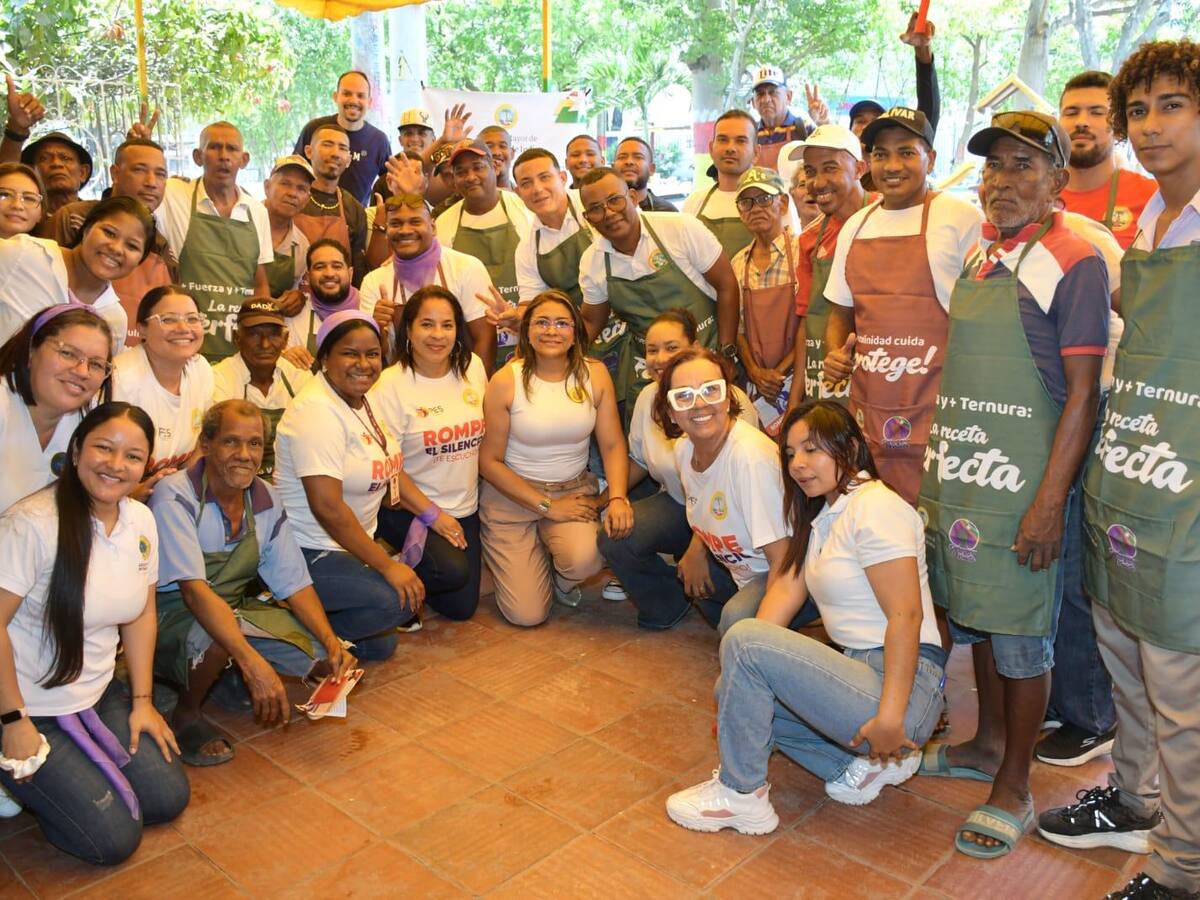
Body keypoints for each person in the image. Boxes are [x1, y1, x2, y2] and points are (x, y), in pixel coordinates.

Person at [917, 111, 1108, 860]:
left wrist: (1048, 503)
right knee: (979, 617)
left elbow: (1084, 393)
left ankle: (1016, 785)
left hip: (1026, 485)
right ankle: (984, 742)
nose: (1004, 181)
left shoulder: (1075, 259)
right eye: (995, 167)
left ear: (1058, 181)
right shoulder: (981, 258)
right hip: (968, 480)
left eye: (1025, 167)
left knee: (1023, 633)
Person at [1039, 40, 1200, 900]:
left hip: (1187, 496)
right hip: (1128, 479)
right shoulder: (1154, 224)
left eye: (1171, 105)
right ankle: (1135, 802)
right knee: (1131, 676)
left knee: (1184, 699)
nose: (1149, 126)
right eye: (1139, 110)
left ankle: (1182, 869)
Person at [665, 401, 946, 832]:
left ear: (850, 448)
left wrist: (891, 717)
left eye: (812, 450)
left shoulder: (876, 507)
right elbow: (783, 596)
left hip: (902, 686)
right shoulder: (825, 516)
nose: (798, 464)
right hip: (861, 671)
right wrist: (747, 673)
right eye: (791, 453)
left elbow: (907, 616)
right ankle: (853, 768)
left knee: (744, 639)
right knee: (735, 686)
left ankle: (742, 796)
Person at [0, 402, 189, 864]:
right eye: (104, 448)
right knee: (111, 841)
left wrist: (142, 703)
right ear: (78, 448)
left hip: (98, 692)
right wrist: (12, 722)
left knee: (167, 799)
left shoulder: (140, 521)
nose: (116, 465)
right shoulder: (32, 524)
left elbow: (141, 615)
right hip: (28, 706)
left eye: (132, 456)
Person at [150, 400, 356, 766]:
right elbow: (194, 593)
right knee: (215, 639)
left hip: (230, 608)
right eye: (231, 442)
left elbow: (294, 583)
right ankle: (186, 713)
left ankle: (223, 675)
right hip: (171, 615)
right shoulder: (176, 495)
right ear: (206, 444)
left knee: (324, 660)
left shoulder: (265, 498)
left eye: (255, 444)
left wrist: (330, 641)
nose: (245, 455)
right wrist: (252, 663)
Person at [822, 107, 983, 505]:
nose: (892, 166)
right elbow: (841, 312)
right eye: (881, 154)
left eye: (906, 152)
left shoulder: (962, 219)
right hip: (870, 413)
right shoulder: (855, 227)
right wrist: (834, 354)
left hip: (940, 412)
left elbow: (983, 321)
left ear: (930, 157)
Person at [478, 291, 630, 626]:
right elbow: (489, 463)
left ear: (575, 331)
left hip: (571, 491)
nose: (552, 331)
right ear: (526, 330)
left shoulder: (595, 374)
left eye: (562, 323)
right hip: (511, 496)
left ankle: (558, 577)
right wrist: (547, 507)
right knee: (527, 615)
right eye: (542, 322)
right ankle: (528, 555)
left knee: (587, 561)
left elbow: (613, 445)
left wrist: (617, 496)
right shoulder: (506, 381)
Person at [273, 311, 418, 661]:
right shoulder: (316, 412)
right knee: (392, 603)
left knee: (381, 644)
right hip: (306, 550)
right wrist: (386, 566)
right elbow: (328, 508)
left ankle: (323, 626)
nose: (363, 364)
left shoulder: (360, 399)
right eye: (350, 353)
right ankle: (285, 633)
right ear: (324, 357)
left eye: (372, 354)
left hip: (347, 545)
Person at [597, 309, 757, 623]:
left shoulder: (728, 400)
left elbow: (719, 488)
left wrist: (698, 549)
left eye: (672, 348)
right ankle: (668, 602)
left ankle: (730, 603)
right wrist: (609, 499)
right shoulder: (647, 398)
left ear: (695, 347)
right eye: (652, 350)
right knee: (616, 535)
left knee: (718, 595)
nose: (660, 358)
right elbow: (640, 460)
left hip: (728, 516)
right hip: (678, 506)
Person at [650, 347, 792, 632]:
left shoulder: (750, 459)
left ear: (728, 397)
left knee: (736, 621)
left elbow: (784, 560)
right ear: (671, 412)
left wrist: (761, 639)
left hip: (788, 574)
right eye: (684, 396)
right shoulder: (684, 449)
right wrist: (696, 550)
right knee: (692, 578)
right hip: (743, 570)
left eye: (711, 390)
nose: (700, 404)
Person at [578, 167, 739, 412]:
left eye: (614, 200)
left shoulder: (680, 229)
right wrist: (553, 357)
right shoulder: (593, 262)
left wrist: (726, 354)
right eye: (596, 208)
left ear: (632, 197)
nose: (608, 213)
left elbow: (727, 286)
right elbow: (591, 322)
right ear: (587, 218)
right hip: (649, 370)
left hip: (706, 357)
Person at [370, 286, 488, 621]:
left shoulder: (473, 369)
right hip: (409, 507)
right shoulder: (390, 385)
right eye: (427, 324)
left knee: (461, 608)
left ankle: (409, 572)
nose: (438, 335)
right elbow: (390, 469)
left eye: (447, 325)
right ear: (408, 329)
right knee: (451, 572)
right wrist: (434, 516)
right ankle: (386, 576)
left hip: (465, 506)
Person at [155, 122, 274, 362]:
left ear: (244, 159)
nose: (223, 157)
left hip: (239, 349)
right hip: (187, 344)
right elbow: (137, 197)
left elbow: (260, 283)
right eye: (214, 148)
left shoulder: (256, 211)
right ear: (198, 156)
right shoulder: (174, 195)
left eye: (232, 149)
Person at [46, 139, 175, 346]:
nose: (151, 182)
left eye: (160, 174)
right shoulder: (71, 218)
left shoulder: (160, 243)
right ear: (115, 173)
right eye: (140, 170)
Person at [359, 193, 496, 372]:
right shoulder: (374, 281)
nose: (405, 230)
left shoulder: (466, 268)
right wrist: (377, 326)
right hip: (402, 387)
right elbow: (377, 352)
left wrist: (473, 389)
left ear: (433, 227)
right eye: (395, 224)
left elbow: (485, 339)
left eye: (415, 222)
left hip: (461, 382)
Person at [0, 194, 153, 352]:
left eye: (132, 246)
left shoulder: (115, 319)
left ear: (140, 260)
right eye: (109, 233)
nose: (116, 248)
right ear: (87, 228)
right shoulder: (27, 254)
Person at [787, 125, 871, 410]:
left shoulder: (887, 221)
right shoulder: (810, 239)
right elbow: (806, 321)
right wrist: (796, 398)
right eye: (810, 171)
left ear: (860, 168)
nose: (818, 182)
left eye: (830, 168)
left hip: (881, 373)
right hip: (825, 374)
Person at [0, 306, 113, 514]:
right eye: (68, 353)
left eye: (96, 364)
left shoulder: (87, 424)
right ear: (31, 350)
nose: (82, 371)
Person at [435, 139, 533, 365]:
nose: (471, 177)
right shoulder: (445, 223)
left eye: (478, 167)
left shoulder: (523, 209)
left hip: (524, 334)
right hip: (473, 342)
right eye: (461, 172)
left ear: (494, 167)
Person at [112, 286, 214, 484]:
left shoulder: (201, 370)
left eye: (192, 319)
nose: (184, 328)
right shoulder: (121, 379)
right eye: (168, 319)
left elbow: (202, 444)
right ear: (141, 328)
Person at [730, 167, 800, 433]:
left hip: (798, 380)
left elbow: (809, 324)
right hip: (757, 386)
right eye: (746, 202)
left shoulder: (802, 251)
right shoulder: (738, 263)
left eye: (764, 199)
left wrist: (780, 372)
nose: (755, 208)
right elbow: (737, 330)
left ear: (782, 203)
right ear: (740, 211)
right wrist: (756, 373)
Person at [211, 299, 312, 480]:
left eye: (273, 335)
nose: (265, 344)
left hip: (289, 481)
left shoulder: (300, 379)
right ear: (237, 338)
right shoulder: (219, 378)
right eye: (254, 335)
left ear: (285, 340)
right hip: (233, 480)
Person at [1059, 70, 1158, 250]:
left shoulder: (1152, 198)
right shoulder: (1034, 196)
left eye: (1097, 113)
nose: (1082, 122)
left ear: (1119, 125)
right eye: (1071, 113)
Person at [683, 110, 793, 261]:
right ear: (711, 148)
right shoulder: (694, 202)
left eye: (741, 141)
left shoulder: (774, 200)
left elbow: (791, 254)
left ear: (756, 152)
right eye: (722, 140)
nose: (730, 148)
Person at [292, 71, 392, 206]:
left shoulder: (379, 141)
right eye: (346, 94)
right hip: (310, 214)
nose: (353, 100)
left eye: (360, 96)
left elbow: (389, 184)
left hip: (356, 221)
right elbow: (294, 171)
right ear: (335, 96)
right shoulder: (314, 129)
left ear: (369, 102)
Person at [847, 14, 942, 139]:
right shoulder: (838, 157)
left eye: (875, 120)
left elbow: (926, 120)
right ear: (850, 129)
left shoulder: (898, 158)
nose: (867, 127)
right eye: (860, 121)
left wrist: (922, 50)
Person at [298, 123, 368, 285]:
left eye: (342, 148)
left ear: (349, 160)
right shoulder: (293, 198)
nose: (335, 153)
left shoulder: (354, 208)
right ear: (309, 151)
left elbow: (358, 268)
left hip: (339, 300)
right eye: (327, 145)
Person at [283, 238, 363, 366]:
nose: (329, 273)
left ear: (350, 273)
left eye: (337, 266)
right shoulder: (295, 315)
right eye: (320, 267)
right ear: (308, 277)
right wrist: (285, 356)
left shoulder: (369, 305)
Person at [262, 154, 314, 302]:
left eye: (301, 188)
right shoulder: (240, 222)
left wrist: (296, 297)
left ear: (307, 200)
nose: (292, 193)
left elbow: (293, 291)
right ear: (267, 187)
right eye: (285, 183)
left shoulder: (302, 247)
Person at [750, 66, 824, 169]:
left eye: (772, 92)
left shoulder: (804, 129)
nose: (766, 99)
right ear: (753, 102)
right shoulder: (750, 134)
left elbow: (830, 156)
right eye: (760, 94)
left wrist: (823, 123)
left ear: (788, 97)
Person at [19, 131, 92, 222]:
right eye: (44, 158)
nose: (56, 164)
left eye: (65, 158)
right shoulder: (22, 219)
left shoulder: (99, 216)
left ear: (82, 173)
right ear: (32, 172)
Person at [613, 137, 677, 212]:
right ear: (613, 167)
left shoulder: (668, 213)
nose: (629, 162)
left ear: (652, 169)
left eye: (638, 157)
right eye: (622, 157)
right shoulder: (600, 209)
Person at [0, 161, 45, 240]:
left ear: (40, 214)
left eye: (29, 198)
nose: (17, 205)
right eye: (5, 195)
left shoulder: (53, 251)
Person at [480, 125, 513, 190]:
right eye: (488, 147)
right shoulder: (466, 195)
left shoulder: (523, 195)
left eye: (502, 146)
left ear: (512, 154)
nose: (496, 152)